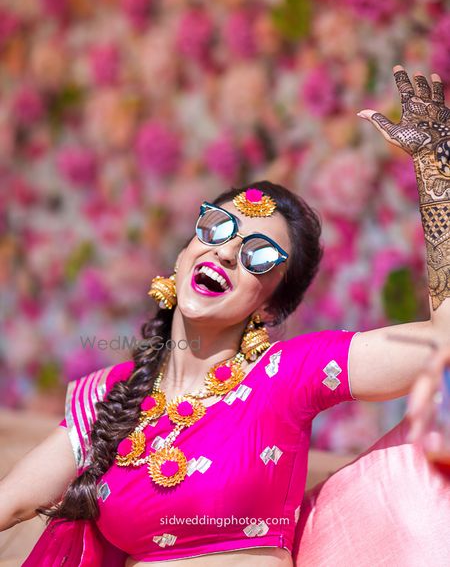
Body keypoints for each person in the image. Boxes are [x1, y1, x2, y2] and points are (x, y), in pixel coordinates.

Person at [0, 65, 449, 567]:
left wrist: (436, 174)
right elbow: (11, 502)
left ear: (273, 303)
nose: (228, 252)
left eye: (259, 255)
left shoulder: (288, 375)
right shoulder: (110, 397)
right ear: (185, 251)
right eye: (217, 228)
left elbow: (443, 339)